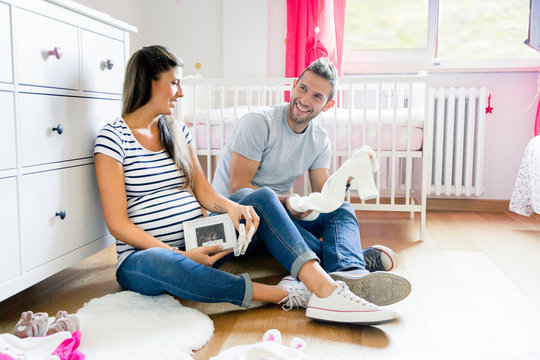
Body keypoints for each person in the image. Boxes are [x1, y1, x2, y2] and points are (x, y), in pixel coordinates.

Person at [93, 45, 399, 325]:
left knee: (260, 198)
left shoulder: (177, 132)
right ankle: (296, 293)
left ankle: (336, 278)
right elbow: (118, 224)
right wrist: (179, 255)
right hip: (145, 256)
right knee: (163, 264)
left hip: (199, 236)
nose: (181, 93)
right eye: (175, 83)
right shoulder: (113, 138)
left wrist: (236, 207)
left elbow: (206, 194)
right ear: (148, 81)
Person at [212, 57, 411, 306]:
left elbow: (324, 196)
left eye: (317, 96)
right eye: (303, 88)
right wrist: (287, 201)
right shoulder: (259, 123)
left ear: (328, 105)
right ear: (294, 85)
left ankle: (349, 272)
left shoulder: (319, 139)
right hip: (237, 218)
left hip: (279, 214)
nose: (305, 100)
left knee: (342, 209)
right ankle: (351, 260)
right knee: (264, 197)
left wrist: (343, 179)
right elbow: (238, 187)